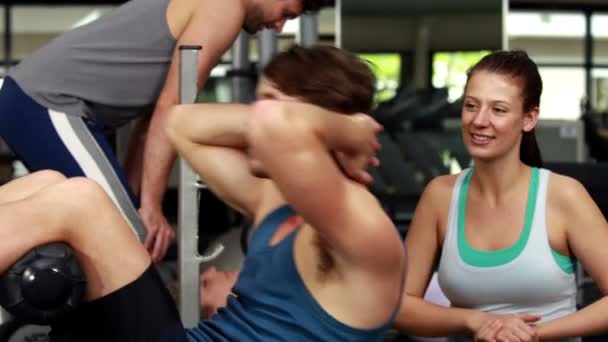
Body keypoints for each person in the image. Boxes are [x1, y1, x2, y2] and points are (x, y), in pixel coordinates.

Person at [0, 45, 406, 341]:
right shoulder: (275, 203)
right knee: (49, 182)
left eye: (269, 104)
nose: (249, 120)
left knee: (82, 202)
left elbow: (272, 124)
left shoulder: (363, 227)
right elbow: (183, 125)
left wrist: (348, 129)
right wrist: (334, 128)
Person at [0, 0, 333, 263]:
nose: (279, 26)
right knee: (116, 234)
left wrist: (137, 203)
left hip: (43, 102)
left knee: (122, 230)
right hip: (48, 101)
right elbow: (172, 109)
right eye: (286, 13)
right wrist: (151, 208)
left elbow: (151, 123)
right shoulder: (226, 7)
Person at [392, 50, 608, 342]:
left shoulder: (563, 196)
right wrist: (477, 320)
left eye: (499, 110)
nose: (479, 121)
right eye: (471, 105)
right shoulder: (440, 196)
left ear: (529, 118)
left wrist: (532, 335)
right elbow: (401, 306)